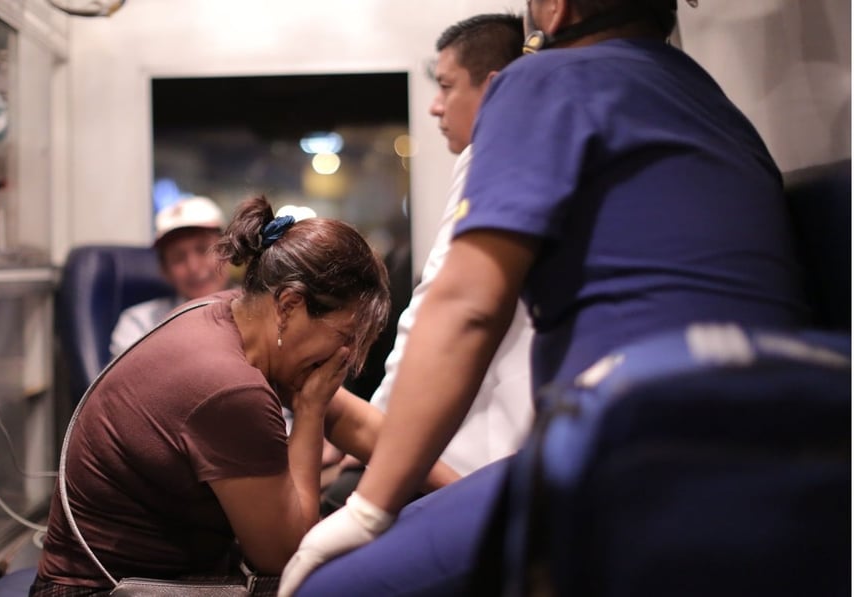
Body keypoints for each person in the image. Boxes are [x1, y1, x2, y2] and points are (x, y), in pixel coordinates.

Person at [280, 0, 811, 594]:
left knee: (322, 584)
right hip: (793, 430)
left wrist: (367, 509)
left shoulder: (542, 80)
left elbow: (465, 309)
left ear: (554, 9)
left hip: (637, 441)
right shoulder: (715, 102)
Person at [31, 195, 396, 595]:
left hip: (166, 571)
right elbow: (287, 555)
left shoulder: (234, 313)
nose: (341, 356)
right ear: (290, 305)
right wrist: (309, 412)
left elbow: (353, 421)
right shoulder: (231, 386)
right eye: (343, 338)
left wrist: (464, 491)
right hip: (100, 590)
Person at [321, 12, 533, 513]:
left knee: (332, 514)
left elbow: (435, 313)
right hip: (509, 444)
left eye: (446, 86)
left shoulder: (492, 153)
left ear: (496, 89)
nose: (436, 107)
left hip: (476, 464)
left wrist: (376, 439)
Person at [108, 195, 231, 357]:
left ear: (229, 253)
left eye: (203, 250)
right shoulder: (139, 324)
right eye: (178, 257)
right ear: (165, 271)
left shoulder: (260, 310)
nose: (193, 267)